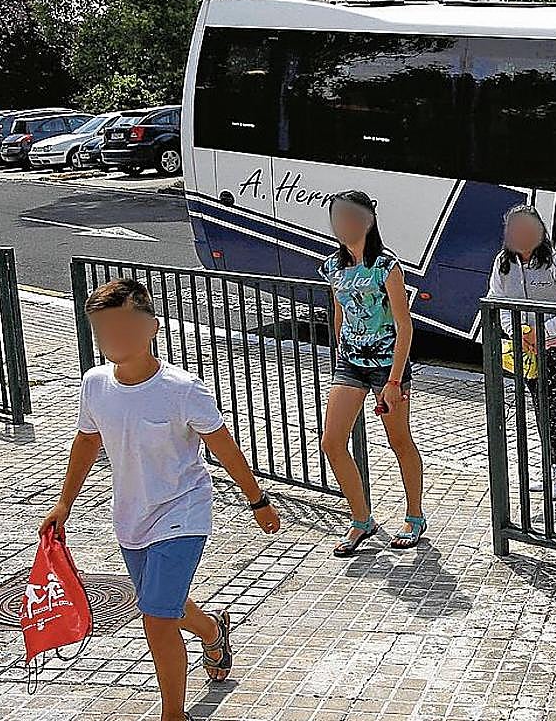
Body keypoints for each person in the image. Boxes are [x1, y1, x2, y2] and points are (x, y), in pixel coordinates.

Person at [40, 278, 281, 721]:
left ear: (151, 327)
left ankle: (174, 714)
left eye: (124, 329)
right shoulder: (94, 384)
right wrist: (64, 503)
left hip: (183, 511)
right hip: (131, 516)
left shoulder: (181, 388)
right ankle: (211, 629)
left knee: (155, 616)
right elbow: (86, 441)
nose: (113, 340)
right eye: (104, 331)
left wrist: (258, 499)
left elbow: (223, 446)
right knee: (162, 602)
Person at [317, 190, 425, 556]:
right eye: (337, 217)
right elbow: (338, 313)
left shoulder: (386, 265)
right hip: (350, 363)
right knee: (331, 441)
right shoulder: (332, 266)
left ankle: (414, 515)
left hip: (387, 366)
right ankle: (361, 520)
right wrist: (340, 352)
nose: (342, 225)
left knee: (399, 441)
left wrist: (394, 380)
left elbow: (404, 325)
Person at [487, 204, 556, 501]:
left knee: (548, 407)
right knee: (539, 406)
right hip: (524, 347)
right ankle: (552, 467)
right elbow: (496, 298)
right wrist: (516, 332)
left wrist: (543, 334)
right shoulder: (503, 263)